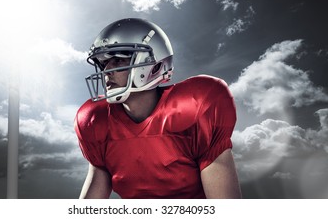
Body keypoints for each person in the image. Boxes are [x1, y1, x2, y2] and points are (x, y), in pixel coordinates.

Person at [74, 18, 241, 199]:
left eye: (118, 60)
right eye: (104, 63)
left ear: (153, 63)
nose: (107, 71)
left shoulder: (195, 107)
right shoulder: (95, 120)